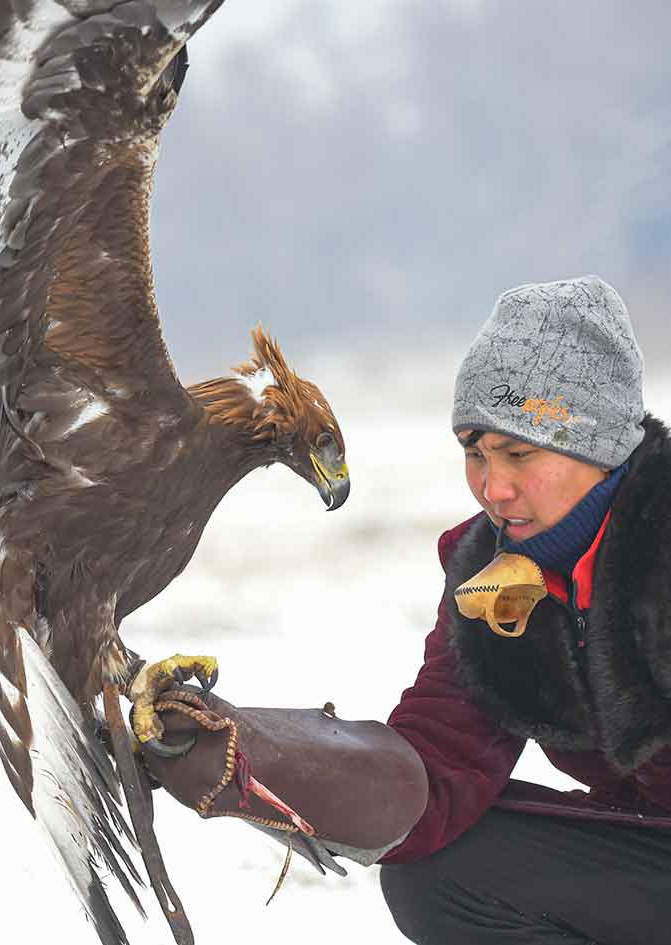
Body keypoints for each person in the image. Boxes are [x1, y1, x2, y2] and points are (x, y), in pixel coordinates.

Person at [143, 275, 671, 945]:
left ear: (599, 446)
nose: (492, 487)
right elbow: (434, 773)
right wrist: (244, 750)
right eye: (475, 453)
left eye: (518, 453)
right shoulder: (492, 582)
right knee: (440, 869)